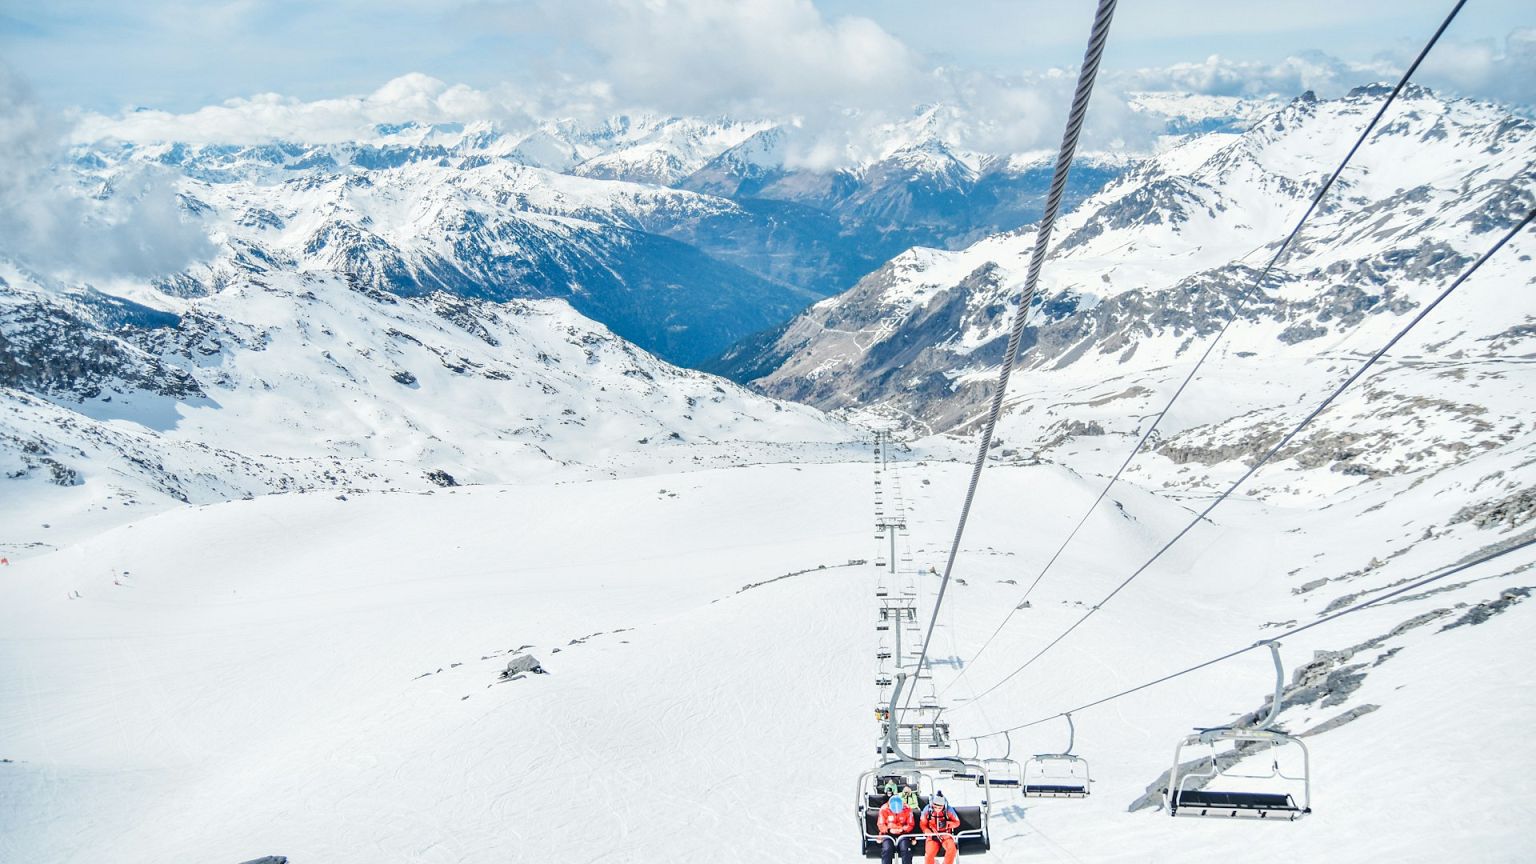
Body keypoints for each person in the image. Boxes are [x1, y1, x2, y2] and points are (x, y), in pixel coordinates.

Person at [920, 793, 961, 864]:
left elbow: (957, 822)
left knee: (952, 849)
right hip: (932, 836)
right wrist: (926, 830)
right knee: (929, 854)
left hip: (945, 835)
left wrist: (947, 824)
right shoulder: (927, 810)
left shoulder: (949, 810)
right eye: (935, 807)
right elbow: (922, 823)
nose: (937, 809)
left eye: (939, 808)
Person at [876, 793, 915, 864]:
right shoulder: (884, 809)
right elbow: (881, 824)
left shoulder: (907, 809)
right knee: (887, 850)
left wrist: (903, 829)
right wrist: (889, 830)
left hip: (903, 834)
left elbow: (910, 824)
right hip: (888, 834)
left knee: (905, 850)